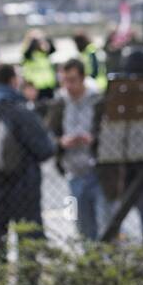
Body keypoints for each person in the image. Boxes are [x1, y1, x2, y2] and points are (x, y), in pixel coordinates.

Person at [0, 62, 55, 267]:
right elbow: (45, 149)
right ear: (14, 80)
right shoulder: (20, 110)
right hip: (24, 186)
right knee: (28, 240)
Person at [47, 58, 106, 242]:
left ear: (82, 78)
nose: (68, 85)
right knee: (83, 225)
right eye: (64, 80)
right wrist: (61, 142)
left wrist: (94, 139)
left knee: (105, 222)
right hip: (73, 169)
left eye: (72, 80)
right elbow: (48, 133)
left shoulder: (97, 100)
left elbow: (109, 130)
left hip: (98, 169)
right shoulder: (59, 102)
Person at [20, 31, 57, 104]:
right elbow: (27, 53)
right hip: (35, 86)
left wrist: (45, 39)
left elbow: (53, 49)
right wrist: (33, 40)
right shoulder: (28, 53)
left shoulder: (44, 52)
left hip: (48, 84)